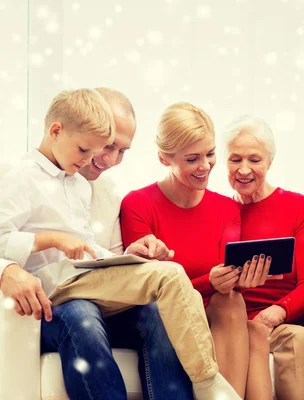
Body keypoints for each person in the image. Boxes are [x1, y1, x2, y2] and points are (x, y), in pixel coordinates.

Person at [0, 89, 240, 400]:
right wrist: (51, 240)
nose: (98, 161)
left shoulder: (78, 184)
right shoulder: (19, 177)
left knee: (159, 296)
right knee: (166, 276)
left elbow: (87, 246)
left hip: (82, 278)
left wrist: (127, 257)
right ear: (56, 131)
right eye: (88, 149)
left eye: (119, 150)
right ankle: (207, 382)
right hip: (53, 288)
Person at [120, 102, 278, 400]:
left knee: (230, 300)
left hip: (214, 311)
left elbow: (225, 276)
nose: (205, 166)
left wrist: (239, 279)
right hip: (166, 313)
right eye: (192, 158)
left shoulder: (226, 208)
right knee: (224, 300)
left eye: (210, 154)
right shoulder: (137, 204)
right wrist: (209, 282)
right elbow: (147, 290)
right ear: (164, 158)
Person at [223, 116, 304, 400]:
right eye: (234, 159)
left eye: (254, 159)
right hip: (247, 324)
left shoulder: (300, 208)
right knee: (296, 337)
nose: (244, 170)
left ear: (269, 162)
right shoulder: (219, 211)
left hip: (293, 316)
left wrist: (277, 313)